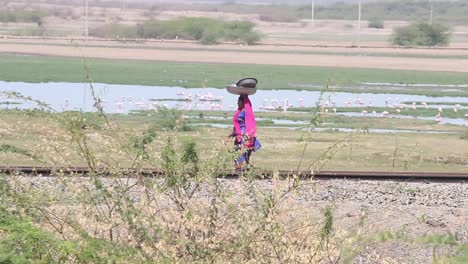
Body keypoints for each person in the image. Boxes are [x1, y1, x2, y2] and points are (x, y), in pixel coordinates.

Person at [225, 95, 261, 171]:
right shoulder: (239, 112)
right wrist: (229, 136)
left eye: (239, 101)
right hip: (239, 134)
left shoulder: (246, 112)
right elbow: (237, 125)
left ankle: (240, 166)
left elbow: (250, 122)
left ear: (243, 102)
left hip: (244, 134)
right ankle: (241, 166)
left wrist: (249, 133)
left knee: (245, 150)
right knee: (237, 151)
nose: (237, 103)